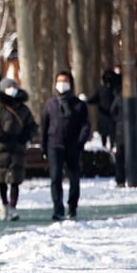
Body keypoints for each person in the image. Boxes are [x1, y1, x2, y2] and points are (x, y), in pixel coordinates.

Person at [0, 78, 39, 221]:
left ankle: (13, 206)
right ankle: (4, 204)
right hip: (0, 148)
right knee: (1, 178)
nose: (11, 89)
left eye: (13, 86)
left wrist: (26, 135)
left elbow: (32, 126)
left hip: (17, 148)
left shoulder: (23, 109)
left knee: (15, 178)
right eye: (8, 87)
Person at [41, 70, 91, 220]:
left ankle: (72, 206)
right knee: (55, 178)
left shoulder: (79, 105)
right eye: (59, 81)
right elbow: (44, 125)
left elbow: (86, 125)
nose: (62, 84)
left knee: (74, 178)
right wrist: (43, 146)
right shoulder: (50, 104)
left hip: (72, 146)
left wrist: (80, 141)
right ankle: (58, 208)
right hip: (54, 145)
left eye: (65, 81)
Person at [84, 69, 121, 149]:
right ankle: (104, 148)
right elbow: (94, 98)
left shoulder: (116, 89)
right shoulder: (101, 89)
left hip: (113, 116)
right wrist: (86, 101)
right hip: (103, 115)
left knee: (113, 134)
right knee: (103, 134)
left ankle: (112, 147)